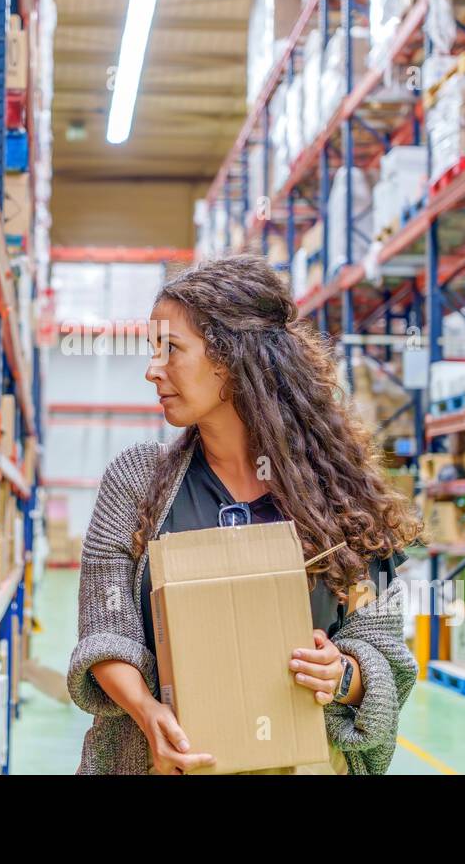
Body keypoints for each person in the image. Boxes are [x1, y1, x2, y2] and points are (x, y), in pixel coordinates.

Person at [67, 254, 423, 775]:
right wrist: (147, 713)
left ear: (232, 358)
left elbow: (383, 652)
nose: (152, 369)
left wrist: (343, 674)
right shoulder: (136, 481)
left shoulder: (340, 497)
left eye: (171, 349)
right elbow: (105, 632)